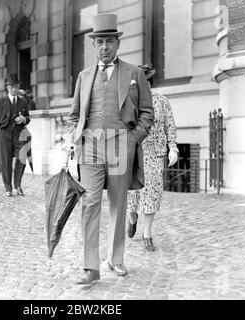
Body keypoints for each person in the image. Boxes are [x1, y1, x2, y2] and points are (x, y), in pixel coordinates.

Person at [64, 14, 154, 284]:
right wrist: (75, 137)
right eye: (100, 41)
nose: (104, 46)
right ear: (94, 45)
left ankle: (116, 260)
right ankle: (90, 267)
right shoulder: (84, 76)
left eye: (109, 41)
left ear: (117, 43)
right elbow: (73, 115)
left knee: (118, 203)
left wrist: (132, 138)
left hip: (120, 144)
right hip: (90, 145)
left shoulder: (134, 73)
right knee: (90, 203)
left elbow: (148, 113)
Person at [127, 65, 178, 251]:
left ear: (149, 82)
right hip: (134, 152)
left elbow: (170, 126)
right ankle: (132, 219)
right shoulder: (130, 101)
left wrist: (173, 148)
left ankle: (147, 233)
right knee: (132, 193)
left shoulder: (162, 102)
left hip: (155, 154)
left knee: (152, 194)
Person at [0, 74, 30, 197]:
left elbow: (28, 118)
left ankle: (18, 185)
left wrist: (24, 119)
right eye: (12, 87)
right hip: (5, 134)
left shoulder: (23, 102)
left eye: (16, 86)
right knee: (5, 162)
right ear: (7, 87)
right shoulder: (0, 101)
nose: (14, 89)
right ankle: (8, 187)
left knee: (22, 158)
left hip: (19, 135)